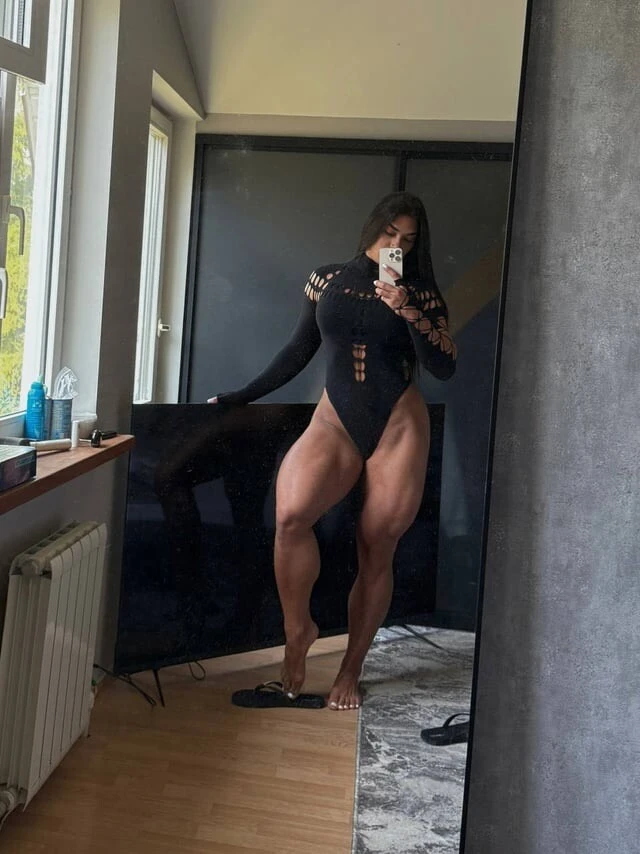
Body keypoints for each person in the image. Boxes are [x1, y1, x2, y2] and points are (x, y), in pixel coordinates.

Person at [209, 192, 457, 710]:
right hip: (335, 418)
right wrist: (241, 395)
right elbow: (298, 349)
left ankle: (351, 668)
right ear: (373, 226)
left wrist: (407, 308)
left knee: (377, 544)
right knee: (291, 514)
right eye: (390, 232)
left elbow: (444, 366)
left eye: (408, 239)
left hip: (397, 423)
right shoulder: (325, 279)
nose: (396, 244)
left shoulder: (420, 292)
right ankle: (297, 630)